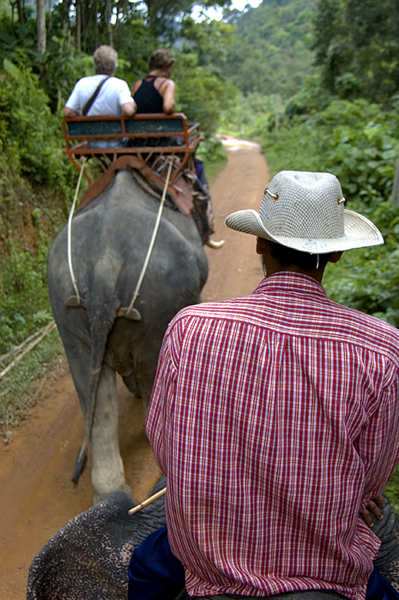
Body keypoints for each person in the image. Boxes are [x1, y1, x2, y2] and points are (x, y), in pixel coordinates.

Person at [130, 171, 399, 599]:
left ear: (259, 242)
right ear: (337, 255)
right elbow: (371, 479)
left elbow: (164, 448)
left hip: (209, 563)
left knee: (145, 569)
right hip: (326, 571)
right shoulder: (382, 349)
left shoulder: (190, 328)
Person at [64, 45, 136, 148]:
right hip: (116, 143)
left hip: (92, 143)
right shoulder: (119, 85)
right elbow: (129, 111)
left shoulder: (82, 83)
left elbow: (68, 111)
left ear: (95, 64)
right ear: (114, 66)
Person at [132, 48, 176, 115]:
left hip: (138, 125)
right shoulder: (167, 84)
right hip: (160, 125)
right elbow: (168, 107)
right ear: (166, 66)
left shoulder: (136, 85)